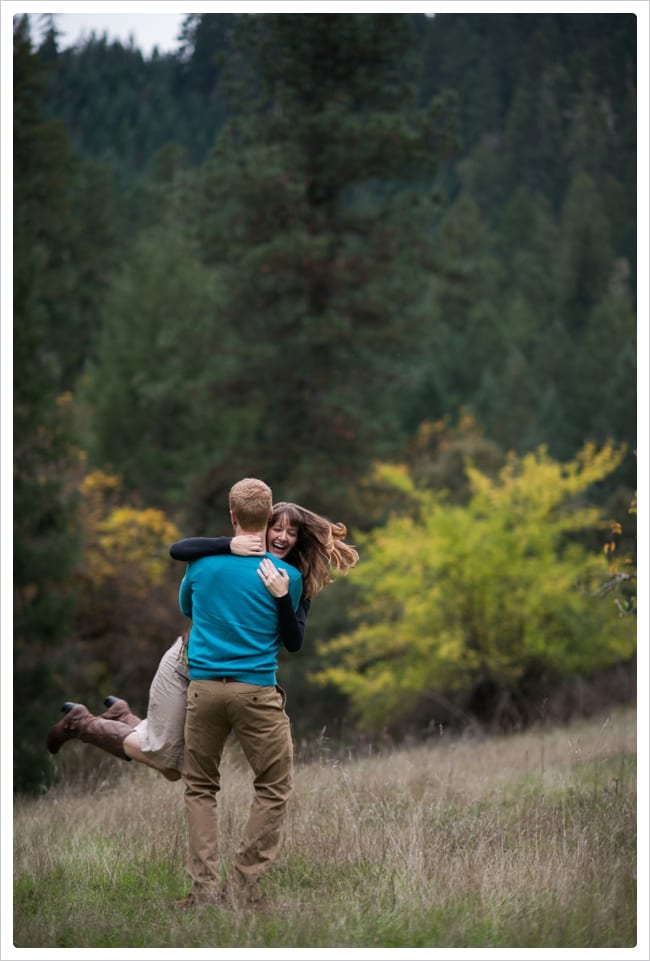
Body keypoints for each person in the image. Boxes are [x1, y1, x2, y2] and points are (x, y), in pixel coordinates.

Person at [46, 501, 359, 781]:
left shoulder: (293, 582)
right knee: (172, 764)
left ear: (299, 539)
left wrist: (280, 598)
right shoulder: (226, 557)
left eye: (291, 532)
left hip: (218, 678)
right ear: (261, 527)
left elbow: (293, 641)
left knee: (173, 764)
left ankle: (123, 718)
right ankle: (83, 724)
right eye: (275, 528)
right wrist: (229, 544)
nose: (282, 536)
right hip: (185, 664)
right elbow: (179, 550)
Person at [176, 477, 303, 909]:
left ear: (232, 517)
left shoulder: (201, 565)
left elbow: (187, 609)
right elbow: (290, 639)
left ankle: (205, 892)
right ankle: (244, 888)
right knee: (273, 787)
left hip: (204, 690)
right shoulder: (288, 576)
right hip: (256, 693)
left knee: (200, 788)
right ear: (268, 520)